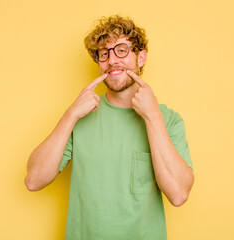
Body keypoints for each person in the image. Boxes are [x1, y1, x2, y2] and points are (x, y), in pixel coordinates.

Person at [25, 15, 194, 240]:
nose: (112, 60)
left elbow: (179, 194)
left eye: (121, 50)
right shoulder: (80, 117)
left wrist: (152, 116)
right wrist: (71, 114)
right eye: (104, 53)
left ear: (140, 57)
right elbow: (33, 180)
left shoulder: (168, 119)